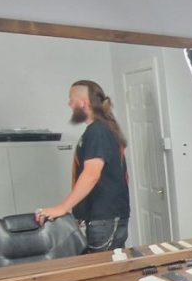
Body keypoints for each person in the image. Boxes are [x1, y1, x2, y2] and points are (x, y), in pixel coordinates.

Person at [36, 80, 130, 251]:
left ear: (83, 103)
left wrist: (62, 208)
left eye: (71, 99)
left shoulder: (97, 132)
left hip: (105, 218)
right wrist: (81, 211)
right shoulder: (101, 129)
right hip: (104, 217)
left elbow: (91, 174)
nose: (69, 104)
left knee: (102, 274)